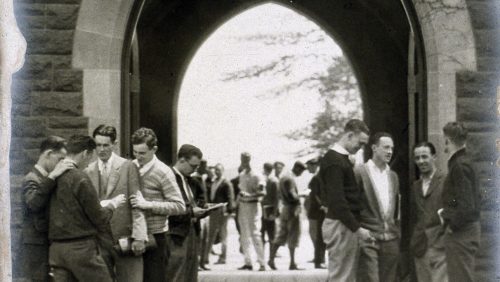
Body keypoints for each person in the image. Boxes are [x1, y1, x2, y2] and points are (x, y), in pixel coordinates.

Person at [48, 135, 126, 281]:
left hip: (56, 250)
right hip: (80, 249)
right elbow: (100, 218)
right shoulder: (80, 177)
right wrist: (112, 205)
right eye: (91, 157)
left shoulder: (52, 176)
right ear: (85, 153)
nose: (89, 162)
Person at [84, 125, 148, 282]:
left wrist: (139, 236)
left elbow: (137, 203)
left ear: (114, 144)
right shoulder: (88, 171)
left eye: (106, 145)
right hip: (99, 239)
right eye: (98, 145)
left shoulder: (128, 166)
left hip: (124, 237)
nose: (101, 149)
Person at [129, 127, 186, 282]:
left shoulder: (163, 172)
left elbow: (179, 206)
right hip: (132, 236)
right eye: (135, 152)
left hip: (156, 238)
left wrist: (148, 204)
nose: (138, 157)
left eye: (142, 153)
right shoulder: (130, 167)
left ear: (154, 149)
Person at [319, 119, 371, 282]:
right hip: (341, 226)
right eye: (360, 143)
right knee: (342, 278)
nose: (360, 148)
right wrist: (357, 228)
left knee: (342, 276)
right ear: (349, 135)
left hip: (342, 225)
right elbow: (337, 201)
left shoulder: (339, 159)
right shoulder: (335, 161)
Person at [18, 136, 74, 281]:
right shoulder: (31, 178)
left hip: (45, 245)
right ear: (48, 154)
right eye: (60, 159)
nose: (61, 164)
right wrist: (53, 177)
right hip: (35, 248)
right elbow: (33, 203)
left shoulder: (46, 178)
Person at [355, 132, 400, 282]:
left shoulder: (393, 175)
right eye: (386, 147)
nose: (390, 152)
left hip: (391, 240)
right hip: (369, 239)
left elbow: (396, 209)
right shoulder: (360, 172)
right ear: (374, 148)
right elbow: (351, 206)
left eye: (392, 148)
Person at [440, 122, 481, 282]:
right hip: (467, 230)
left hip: (461, 233)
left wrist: (452, 225)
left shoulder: (459, 165)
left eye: (445, 141)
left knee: (461, 278)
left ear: (448, 141)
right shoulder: (466, 162)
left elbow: (466, 205)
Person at [165, 144, 208, 282]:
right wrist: (192, 212)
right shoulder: (168, 178)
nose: (195, 170)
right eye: (193, 166)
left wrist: (203, 208)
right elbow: (169, 208)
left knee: (190, 274)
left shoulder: (191, 181)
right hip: (175, 235)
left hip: (191, 232)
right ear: (182, 160)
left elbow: (196, 200)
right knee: (176, 275)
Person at [410, 142, 448, 282]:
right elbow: (414, 217)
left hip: (441, 247)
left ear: (434, 157)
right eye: (417, 158)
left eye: (424, 157)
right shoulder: (415, 186)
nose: (421, 161)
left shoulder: (446, 180)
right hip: (420, 247)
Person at [268, 161, 307, 270]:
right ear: (297, 168)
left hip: (285, 208)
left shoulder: (283, 177)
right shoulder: (290, 178)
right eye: (301, 171)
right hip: (292, 209)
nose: (301, 173)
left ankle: (271, 259)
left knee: (281, 235)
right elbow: (292, 194)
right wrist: (302, 195)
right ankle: (292, 263)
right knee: (293, 236)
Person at [237, 152, 267, 271]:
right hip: (243, 206)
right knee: (244, 235)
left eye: (247, 159)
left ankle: (262, 263)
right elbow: (240, 190)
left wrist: (249, 195)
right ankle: (248, 262)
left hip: (253, 205)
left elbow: (262, 193)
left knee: (255, 234)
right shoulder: (242, 174)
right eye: (243, 159)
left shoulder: (257, 175)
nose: (245, 162)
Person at [203, 163, 235, 265]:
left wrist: (229, 210)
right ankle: (205, 257)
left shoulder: (226, 183)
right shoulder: (214, 181)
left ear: (223, 171)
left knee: (223, 235)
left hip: (222, 210)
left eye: (219, 170)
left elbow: (230, 197)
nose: (217, 172)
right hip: (214, 210)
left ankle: (223, 257)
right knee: (211, 234)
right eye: (216, 170)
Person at [305, 157, 326, 269]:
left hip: (317, 211)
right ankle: (319, 260)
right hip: (316, 210)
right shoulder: (318, 177)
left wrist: (322, 205)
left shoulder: (318, 177)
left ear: (315, 165)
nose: (308, 168)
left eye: (310, 166)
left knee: (319, 236)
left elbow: (317, 194)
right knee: (318, 236)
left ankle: (319, 260)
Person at [260, 162, 279, 256]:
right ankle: (262, 256)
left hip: (270, 210)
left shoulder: (274, 181)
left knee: (271, 235)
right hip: (263, 210)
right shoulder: (265, 180)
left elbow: (276, 199)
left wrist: (275, 213)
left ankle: (272, 256)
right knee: (262, 234)